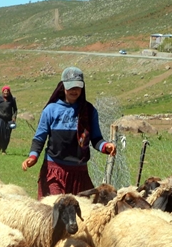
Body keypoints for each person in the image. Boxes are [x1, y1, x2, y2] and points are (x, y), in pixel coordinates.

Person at [23, 67, 116, 199]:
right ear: (63, 87)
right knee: (54, 209)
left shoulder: (89, 111)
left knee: (82, 211)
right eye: (70, 87)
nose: (74, 91)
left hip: (79, 172)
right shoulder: (50, 110)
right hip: (54, 169)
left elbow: (96, 139)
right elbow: (39, 138)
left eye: (77, 87)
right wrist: (33, 157)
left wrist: (106, 146)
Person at [0, 85, 18, 154]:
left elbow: (15, 110)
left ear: (9, 92)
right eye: (4, 91)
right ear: (2, 92)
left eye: (7, 92)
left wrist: (14, 117)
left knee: (6, 135)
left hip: (8, 120)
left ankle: (4, 149)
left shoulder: (12, 99)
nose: (6, 93)